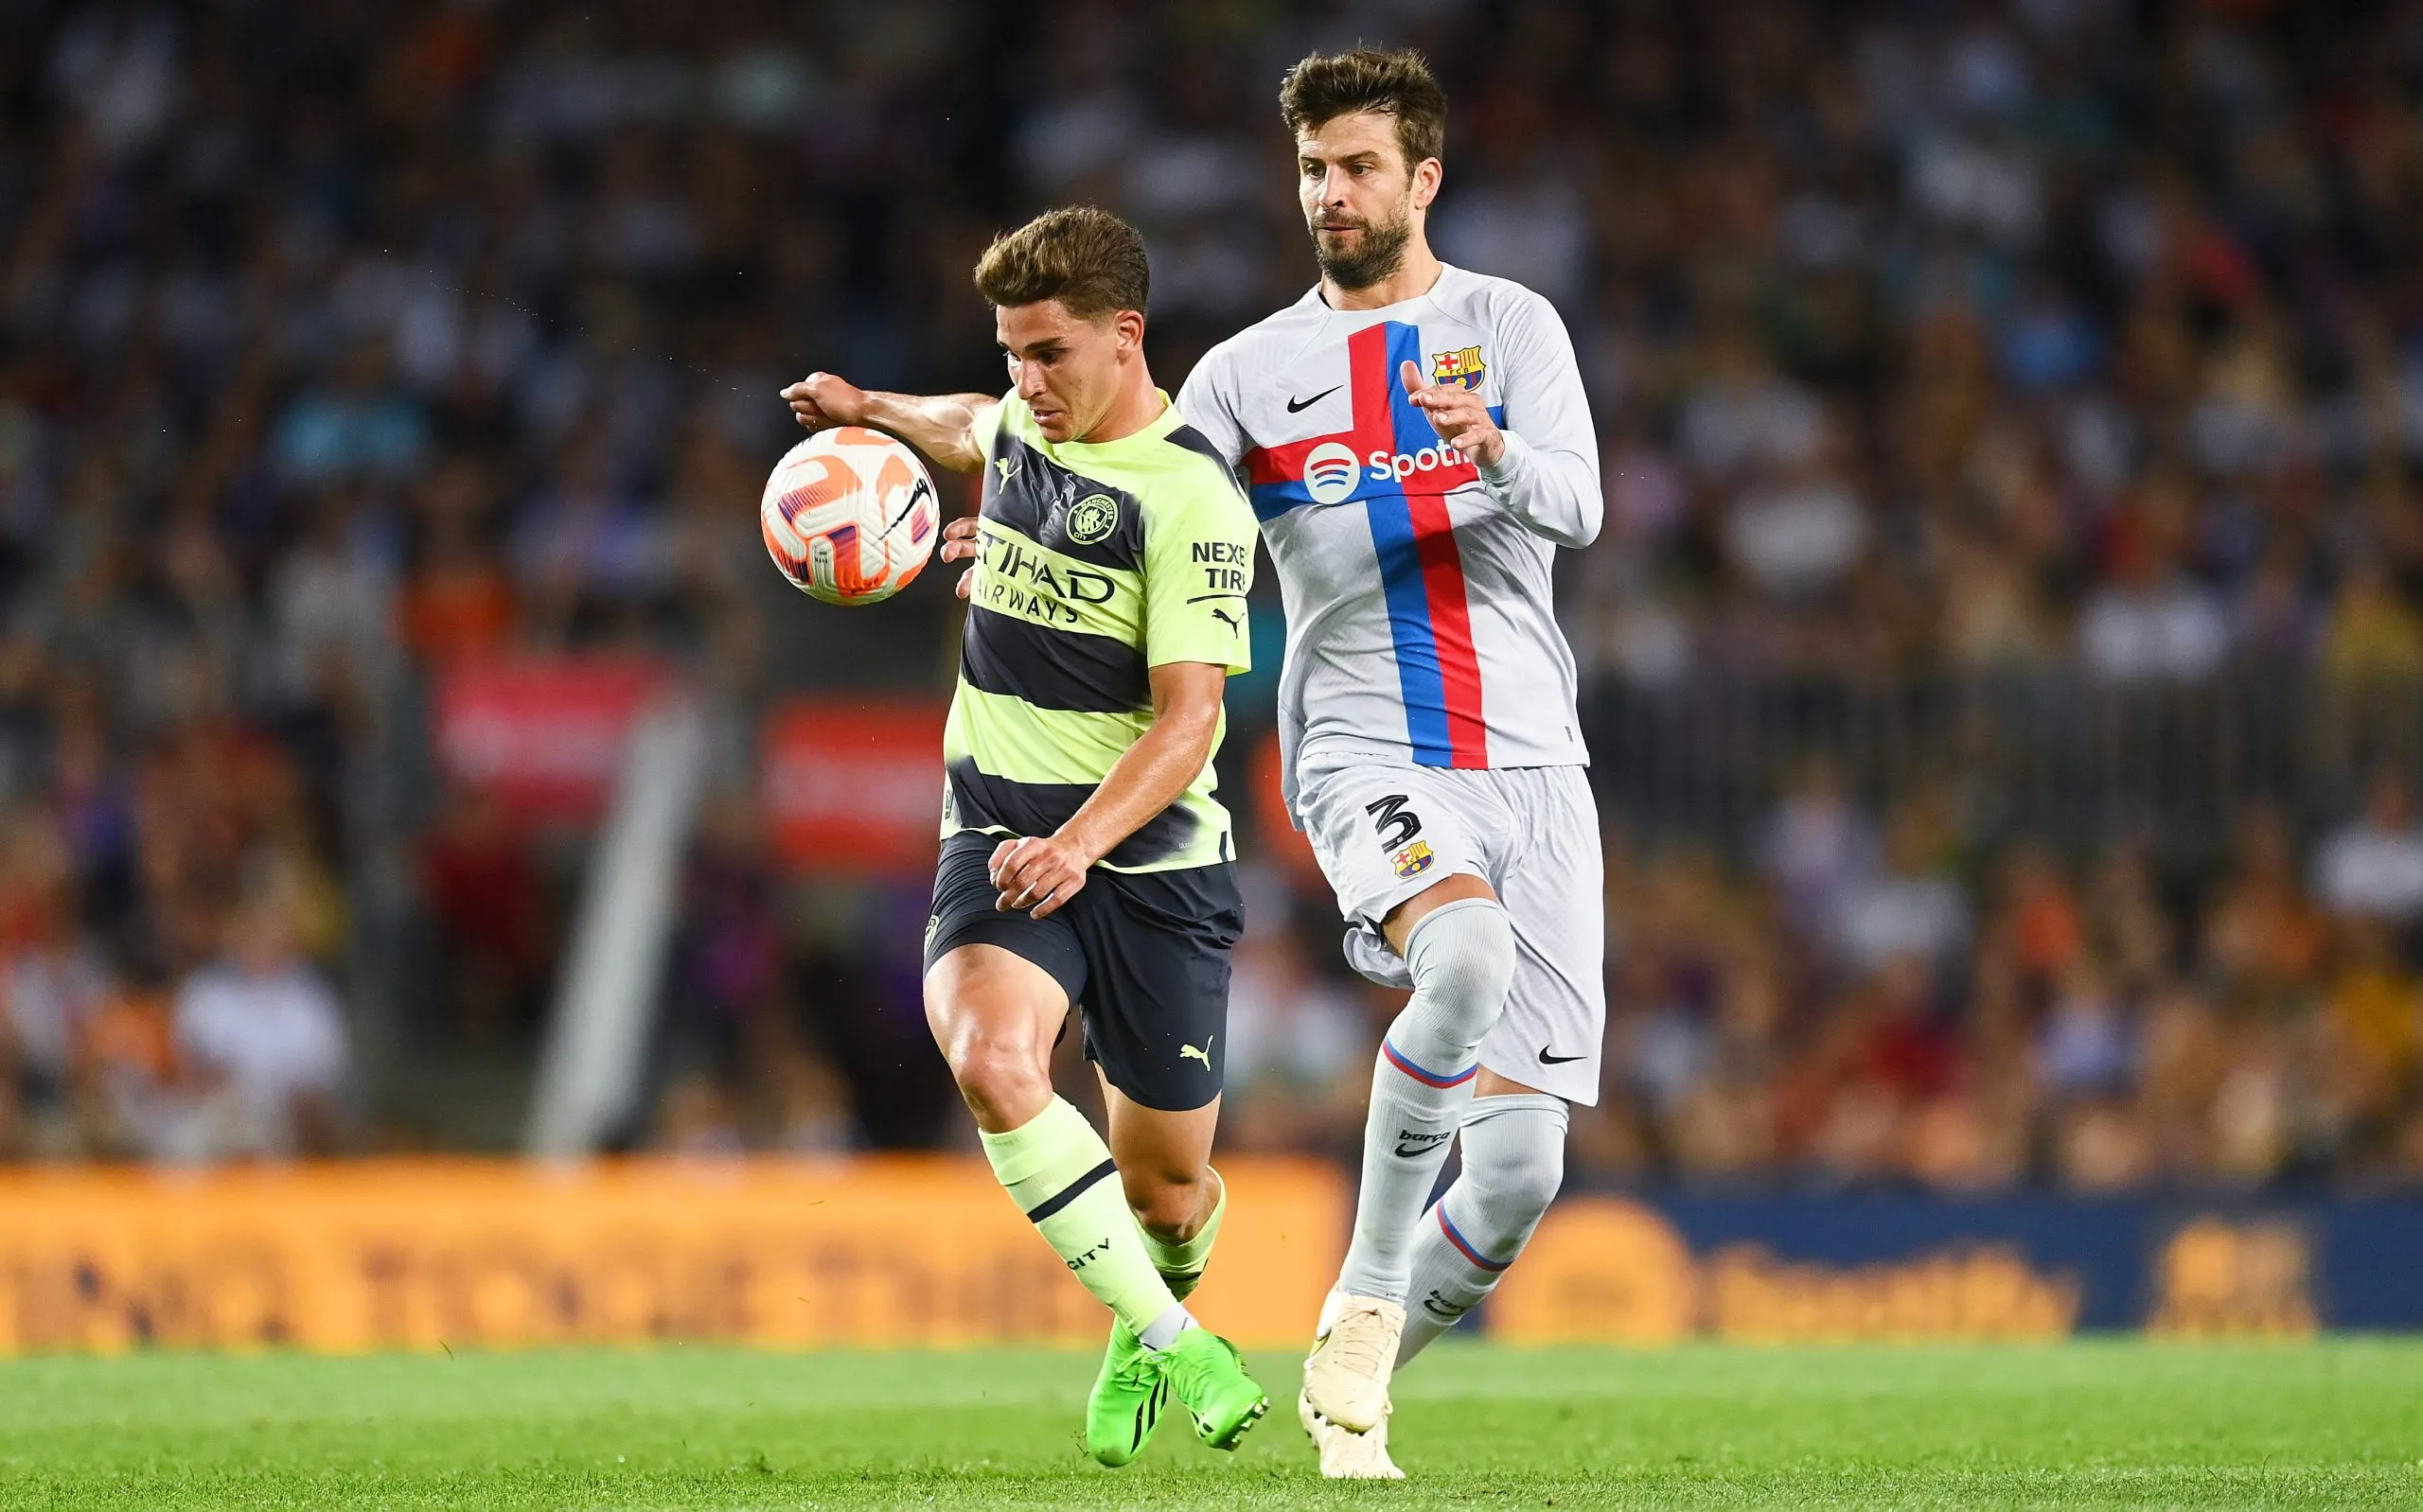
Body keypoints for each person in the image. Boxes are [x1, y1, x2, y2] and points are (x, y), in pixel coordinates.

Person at [1174, 49, 1605, 1478]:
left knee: (1524, 1170)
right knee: (1462, 961)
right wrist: (1029, 528)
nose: (1331, 194)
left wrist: (1492, 450)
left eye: (1358, 167)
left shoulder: (1510, 324)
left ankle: (1343, 1378)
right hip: (1365, 743)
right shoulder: (1249, 372)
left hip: (1536, 761)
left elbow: (1584, 506)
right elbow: (1149, 500)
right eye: (1312, 169)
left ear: (1423, 176)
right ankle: (1364, 1301)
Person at [784, 206, 1266, 1466]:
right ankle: (1178, 1343)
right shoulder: (1018, 428)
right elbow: (968, 425)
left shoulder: (1190, 499)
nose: (1025, 382)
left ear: (1127, 336)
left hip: (1154, 862)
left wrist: (1084, 846)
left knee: (1167, 1189)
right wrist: (870, 406)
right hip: (996, 832)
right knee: (996, 1061)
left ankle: (1139, 1315)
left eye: (1048, 354)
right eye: (1010, 353)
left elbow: (1190, 723)